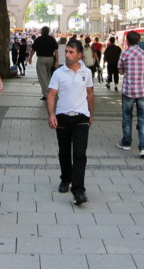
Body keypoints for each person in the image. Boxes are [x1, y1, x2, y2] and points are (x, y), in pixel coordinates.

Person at [47, 39, 94, 205]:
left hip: (81, 116)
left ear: (79, 55)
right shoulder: (59, 73)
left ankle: (79, 190)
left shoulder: (87, 72)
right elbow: (51, 94)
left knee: (80, 154)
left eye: (71, 52)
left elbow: (90, 93)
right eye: (66, 51)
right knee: (65, 151)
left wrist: (91, 114)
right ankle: (65, 178)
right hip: (63, 116)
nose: (67, 55)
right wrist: (51, 114)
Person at [116, 30, 144, 158]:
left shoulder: (124, 54)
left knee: (127, 117)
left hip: (128, 90)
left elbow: (120, 71)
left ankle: (126, 142)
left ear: (127, 41)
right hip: (143, 91)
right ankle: (143, 148)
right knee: (143, 120)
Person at [29, 26, 57, 101]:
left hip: (41, 59)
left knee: (42, 76)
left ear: (42, 31)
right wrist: (57, 60)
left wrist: (30, 58)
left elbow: (33, 50)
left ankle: (46, 94)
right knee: (48, 75)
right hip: (50, 58)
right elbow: (56, 50)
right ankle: (50, 91)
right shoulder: (52, 39)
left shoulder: (38, 39)